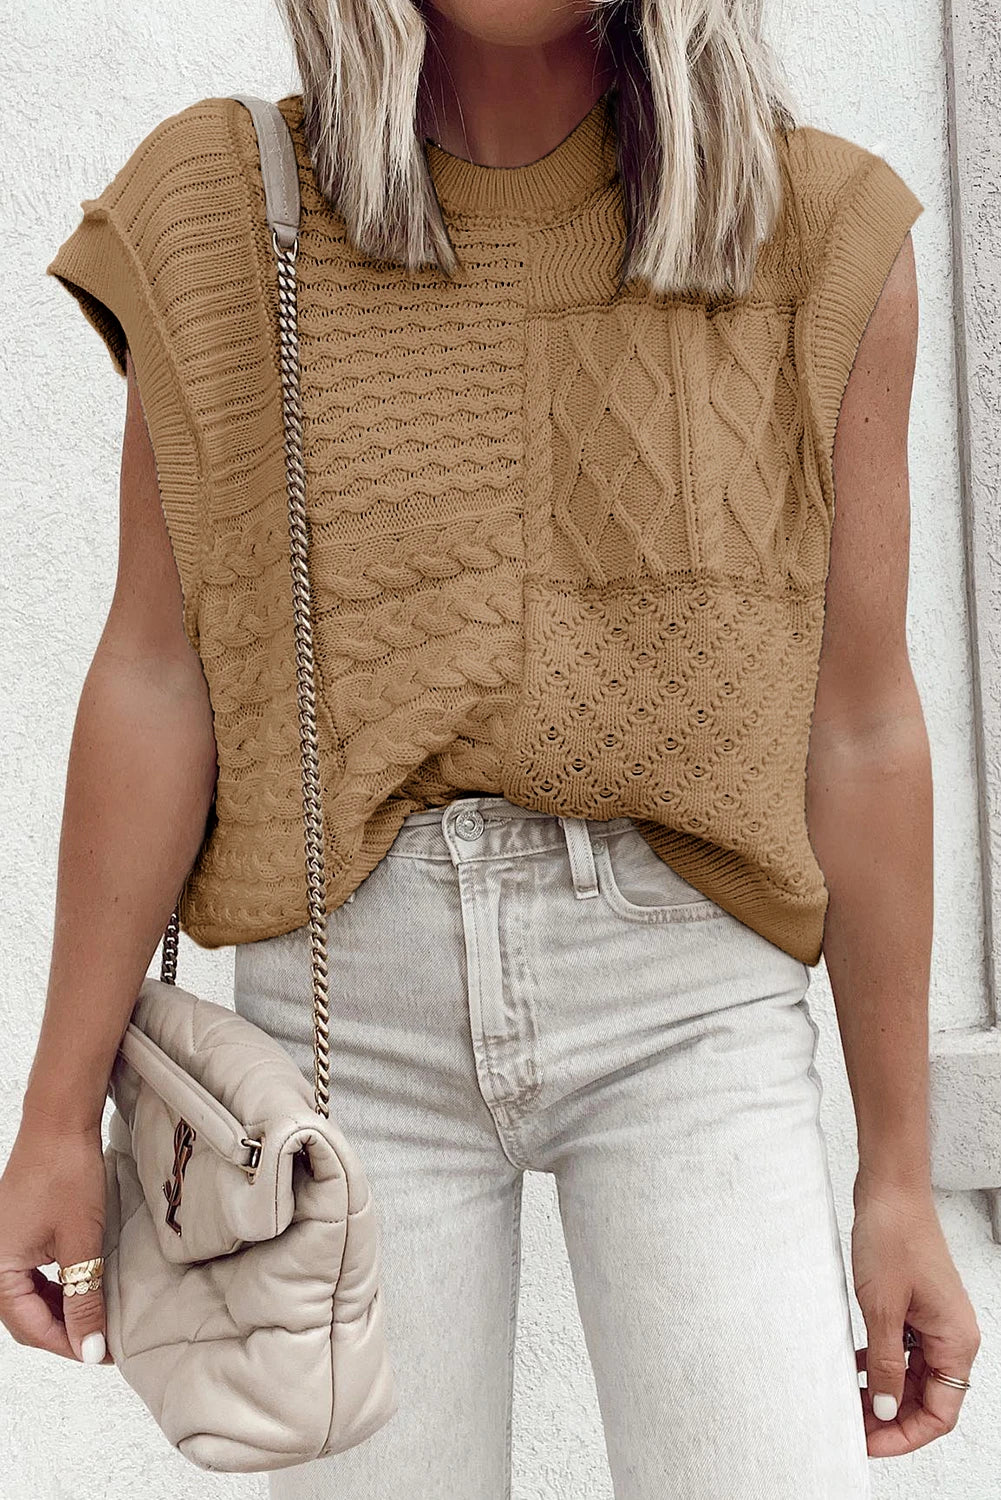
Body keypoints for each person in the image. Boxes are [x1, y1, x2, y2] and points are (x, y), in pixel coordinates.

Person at [1, 1, 981, 1496]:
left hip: (688, 1008)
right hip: (346, 1022)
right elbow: (155, 673)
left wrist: (897, 1174)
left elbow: (858, 722)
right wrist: (59, 1111)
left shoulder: (816, 231)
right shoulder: (227, 213)